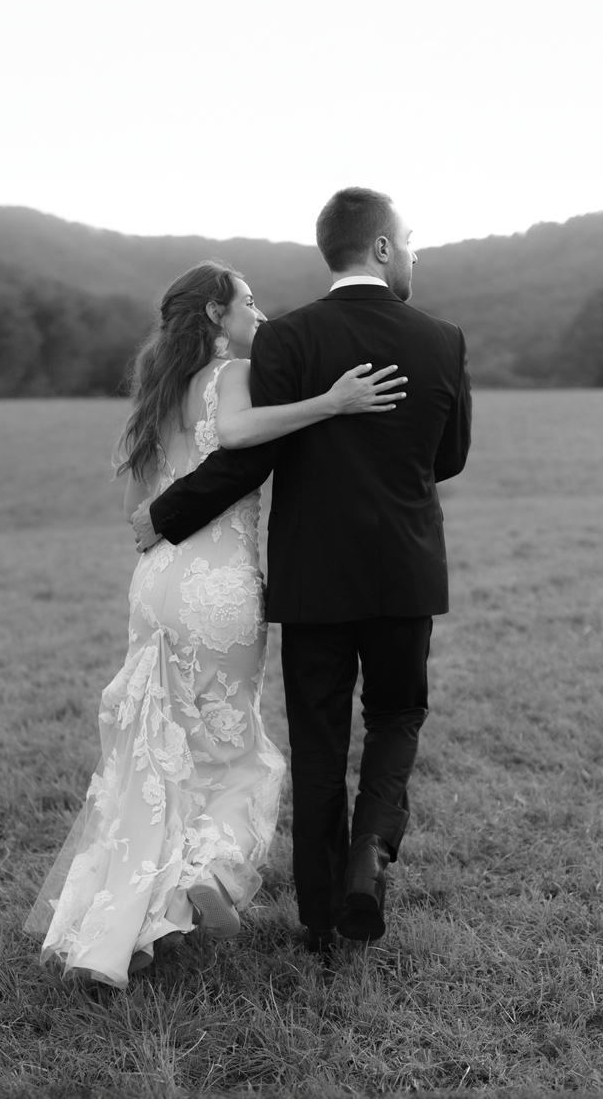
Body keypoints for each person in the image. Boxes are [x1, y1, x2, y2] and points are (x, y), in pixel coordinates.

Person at [24, 260, 406, 988]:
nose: (259, 317)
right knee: (232, 747)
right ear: (214, 318)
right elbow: (236, 434)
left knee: (155, 746)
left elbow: (140, 512)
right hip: (221, 589)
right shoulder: (230, 375)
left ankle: (124, 910)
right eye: (248, 304)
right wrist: (332, 401)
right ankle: (202, 870)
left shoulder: (156, 394)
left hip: (157, 584)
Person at [138, 187, 473, 955]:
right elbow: (447, 458)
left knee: (320, 744)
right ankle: (369, 865)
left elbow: (247, 456)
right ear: (382, 249)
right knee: (396, 720)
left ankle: (322, 917)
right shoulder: (443, 339)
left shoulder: (286, 340)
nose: (415, 253)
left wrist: (163, 516)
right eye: (411, 241)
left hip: (313, 578)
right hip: (403, 572)